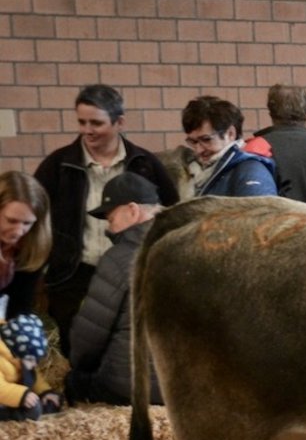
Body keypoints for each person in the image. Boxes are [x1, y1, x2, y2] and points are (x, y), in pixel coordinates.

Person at [33, 84, 179, 353]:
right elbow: (35, 217)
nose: (87, 130)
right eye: (82, 122)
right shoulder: (58, 165)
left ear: (119, 122)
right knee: (76, 348)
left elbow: (173, 213)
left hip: (133, 271)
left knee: (128, 347)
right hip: (75, 276)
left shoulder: (145, 163)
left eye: (96, 123)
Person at [64, 173, 164, 406]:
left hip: (129, 388)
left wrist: (78, 367)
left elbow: (88, 339)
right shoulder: (193, 249)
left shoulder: (120, 259)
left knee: (74, 382)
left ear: (132, 210)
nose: (109, 228)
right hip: (187, 391)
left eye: (111, 219)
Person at [181, 96, 279, 198]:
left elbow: (261, 208)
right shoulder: (196, 170)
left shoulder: (251, 171)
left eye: (206, 140)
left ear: (230, 133)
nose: (199, 150)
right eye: (193, 141)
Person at [0, 171, 52, 322]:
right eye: (11, 220)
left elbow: (21, 304)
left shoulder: (33, 245)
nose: (18, 231)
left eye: (27, 223)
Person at [0, 312, 62, 420]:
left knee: (45, 405)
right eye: (31, 359)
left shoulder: (21, 354)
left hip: (8, 395)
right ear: (16, 353)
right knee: (33, 410)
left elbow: (32, 375)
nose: (35, 364)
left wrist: (44, 392)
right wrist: (22, 395)